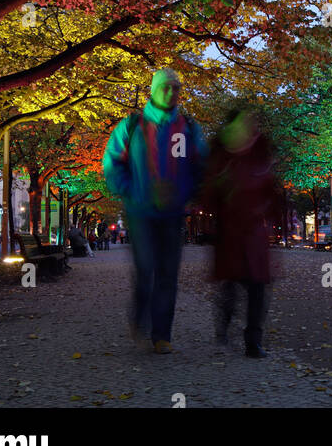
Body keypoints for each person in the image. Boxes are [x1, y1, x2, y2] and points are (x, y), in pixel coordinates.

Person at [103, 70, 208, 354]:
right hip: (141, 214)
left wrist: (186, 193)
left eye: (176, 87)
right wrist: (131, 190)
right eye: (166, 87)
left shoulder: (188, 128)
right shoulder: (132, 126)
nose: (172, 92)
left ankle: (162, 334)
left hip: (174, 214)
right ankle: (140, 316)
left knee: (168, 275)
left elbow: (201, 165)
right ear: (154, 90)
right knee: (146, 268)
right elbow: (112, 163)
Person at [202, 106, 284, 359]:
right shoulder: (221, 157)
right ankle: (224, 325)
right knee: (231, 286)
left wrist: (277, 216)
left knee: (258, 287)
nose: (248, 126)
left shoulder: (260, 154)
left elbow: (272, 191)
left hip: (254, 236)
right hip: (230, 234)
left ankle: (253, 341)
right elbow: (208, 195)